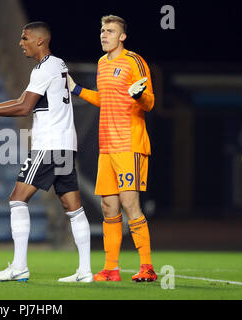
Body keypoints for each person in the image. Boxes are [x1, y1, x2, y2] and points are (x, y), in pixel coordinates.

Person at [0, 21, 92, 283]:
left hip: (48, 144)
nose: (21, 43)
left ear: (40, 40)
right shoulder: (58, 64)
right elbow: (21, 101)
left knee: (17, 199)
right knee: (72, 207)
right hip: (65, 144)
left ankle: (19, 267)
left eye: (25, 38)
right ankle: (85, 271)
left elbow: (23, 107)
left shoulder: (44, 69)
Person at [68, 15, 157, 282]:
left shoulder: (134, 61)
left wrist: (138, 94)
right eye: (102, 30)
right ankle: (111, 269)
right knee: (109, 207)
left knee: (130, 204)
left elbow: (150, 102)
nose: (104, 35)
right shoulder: (101, 63)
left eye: (110, 31)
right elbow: (104, 99)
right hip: (106, 148)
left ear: (122, 36)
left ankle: (148, 267)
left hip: (129, 144)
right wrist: (76, 89)